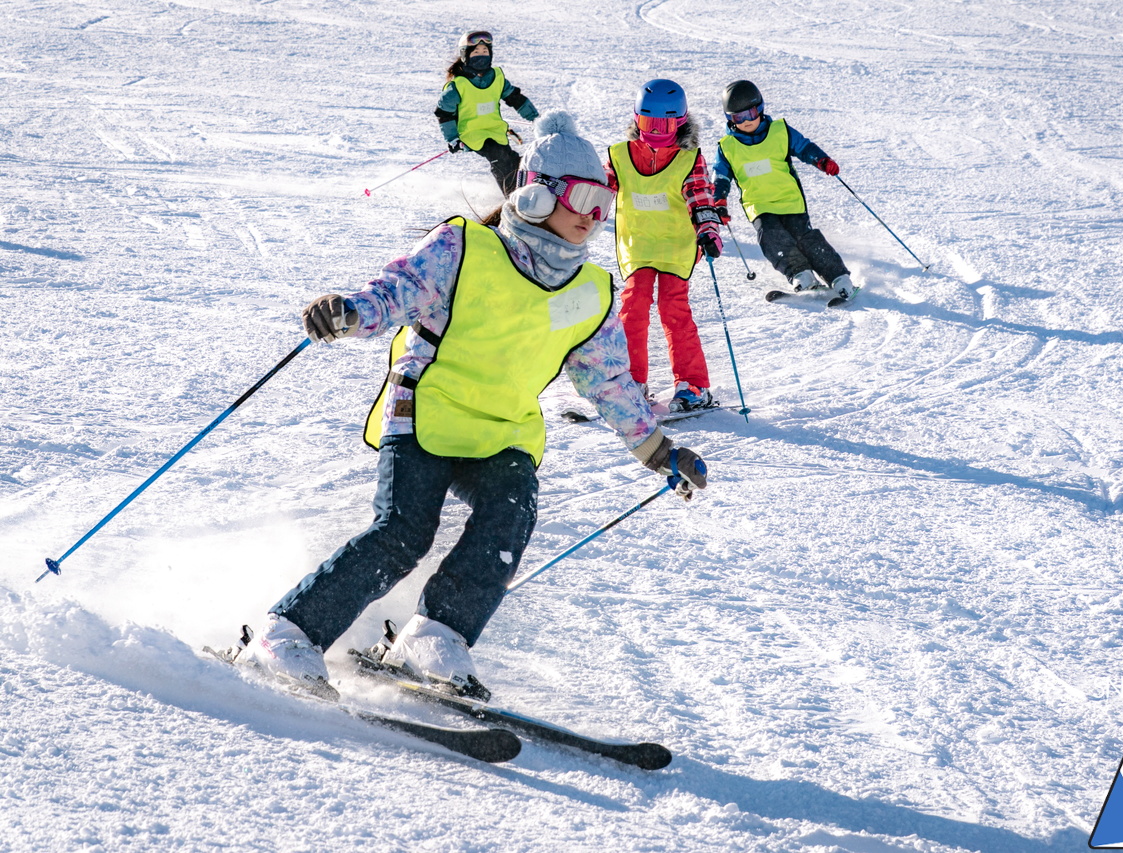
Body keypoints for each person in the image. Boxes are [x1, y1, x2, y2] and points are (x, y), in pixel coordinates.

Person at [235, 112, 709, 701]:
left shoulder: (589, 293)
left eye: (605, 203)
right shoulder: (463, 247)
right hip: (428, 409)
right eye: (584, 197)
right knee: (405, 533)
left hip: (504, 431)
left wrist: (660, 452)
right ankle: (288, 634)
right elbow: (397, 292)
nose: (595, 215)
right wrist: (350, 311)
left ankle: (434, 633)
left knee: (510, 514)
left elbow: (609, 383)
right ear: (536, 194)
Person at [604, 79, 721, 413]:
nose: (655, 130)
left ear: (680, 122)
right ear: (636, 119)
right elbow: (598, 189)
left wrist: (708, 230)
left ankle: (692, 385)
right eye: (648, 122)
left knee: (674, 311)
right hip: (638, 244)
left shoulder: (688, 159)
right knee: (633, 306)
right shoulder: (620, 155)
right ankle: (632, 381)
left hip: (675, 245)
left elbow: (700, 196)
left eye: (665, 123)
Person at [711, 80, 858, 301]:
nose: (747, 121)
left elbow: (804, 146)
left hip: (790, 200)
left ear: (760, 108)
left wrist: (822, 160)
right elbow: (720, 176)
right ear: (730, 119)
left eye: (750, 113)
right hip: (758, 205)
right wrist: (719, 200)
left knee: (805, 238)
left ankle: (838, 277)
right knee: (771, 237)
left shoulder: (780, 131)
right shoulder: (727, 147)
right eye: (738, 117)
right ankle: (802, 275)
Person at [435, 30, 539, 196]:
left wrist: (536, 118)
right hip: (472, 134)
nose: (481, 56)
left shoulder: (497, 77)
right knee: (498, 157)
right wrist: (453, 138)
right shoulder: (458, 85)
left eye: (485, 52)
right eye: (476, 52)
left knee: (512, 159)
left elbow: (515, 98)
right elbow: (444, 113)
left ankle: (529, 188)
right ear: (466, 56)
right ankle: (512, 196)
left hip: (495, 130)